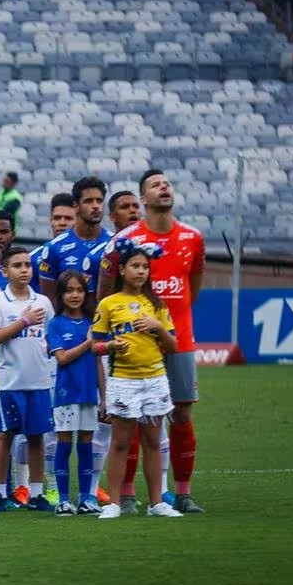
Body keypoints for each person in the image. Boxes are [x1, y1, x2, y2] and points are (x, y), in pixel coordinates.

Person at [99, 169, 205, 514]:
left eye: (168, 183)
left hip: (178, 339)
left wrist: (170, 324)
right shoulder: (126, 240)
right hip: (130, 344)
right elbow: (106, 289)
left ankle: (182, 493)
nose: (164, 188)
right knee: (128, 422)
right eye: (156, 185)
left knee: (182, 414)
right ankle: (126, 495)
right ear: (143, 199)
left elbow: (194, 287)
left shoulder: (193, 237)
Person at [93, 240, 183, 519]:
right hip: (123, 381)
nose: (141, 271)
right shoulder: (108, 304)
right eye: (135, 266)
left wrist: (157, 327)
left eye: (145, 266)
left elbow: (173, 346)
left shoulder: (156, 304)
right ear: (122, 270)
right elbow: (95, 345)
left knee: (153, 442)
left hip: (155, 379)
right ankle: (114, 504)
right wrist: (110, 347)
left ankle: (157, 503)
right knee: (120, 442)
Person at [0, 246, 55, 513]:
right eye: (17, 265)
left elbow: (51, 337)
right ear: (5, 271)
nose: (24, 269)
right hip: (9, 382)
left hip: (38, 381)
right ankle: (0, 493)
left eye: (27, 264)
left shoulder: (43, 302)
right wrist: (22, 322)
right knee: (5, 436)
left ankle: (36, 494)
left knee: (36, 437)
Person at [47, 270, 102, 516]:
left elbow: (99, 362)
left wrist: (105, 397)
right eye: (69, 290)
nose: (75, 295)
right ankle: (63, 499)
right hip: (66, 394)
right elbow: (62, 358)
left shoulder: (93, 323)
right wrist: (87, 343)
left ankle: (85, 499)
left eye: (79, 290)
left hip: (89, 394)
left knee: (86, 445)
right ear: (60, 294)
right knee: (64, 444)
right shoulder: (56, 323)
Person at [40, 176, 112, 302]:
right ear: (76, 206)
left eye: (99, 201)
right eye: (89, 201)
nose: (96, 206)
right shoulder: (54, 248)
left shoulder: (113, 243)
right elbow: (50, 300)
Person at [30, 193, 77, 293]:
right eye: (57, 218)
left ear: (78, 221)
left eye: (68, 218)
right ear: (51, 220)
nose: (62, 223)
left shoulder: (90, 255)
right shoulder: (33, 258)